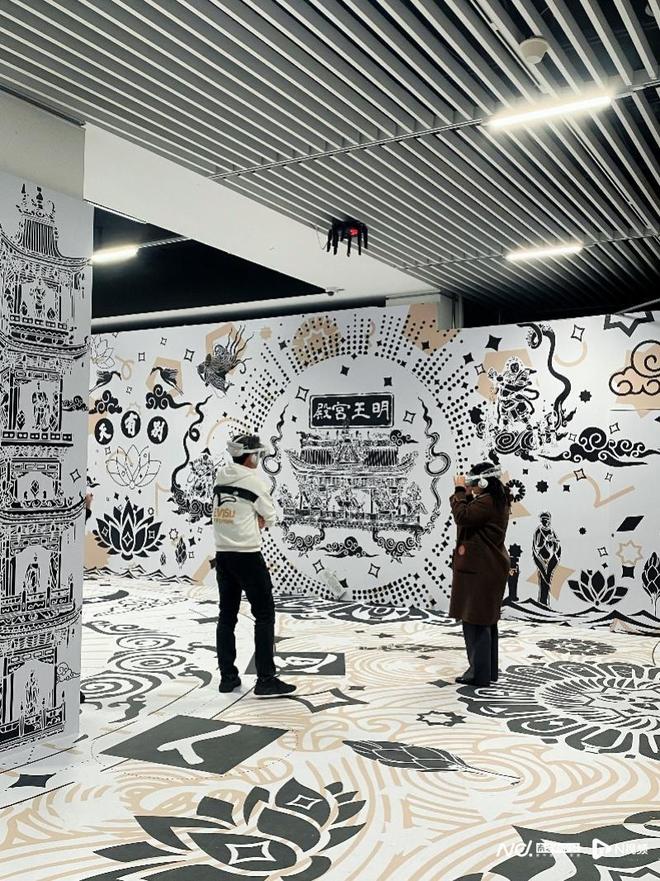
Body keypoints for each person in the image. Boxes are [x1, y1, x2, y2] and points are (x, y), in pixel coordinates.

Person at [213, 433, 295, 697]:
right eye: (257, 454)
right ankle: (266, 679)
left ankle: (228, 677)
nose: (259, 458)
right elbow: (270, 516)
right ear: (250, 457)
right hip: (248, 555)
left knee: (227, 616)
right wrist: (258, 518)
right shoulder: (253, 482)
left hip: (223, 556)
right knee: (265, 615)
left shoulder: (220, 477)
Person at [449, 462, 511, 687]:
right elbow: (470, 516)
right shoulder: (495, 499)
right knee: (484, 620)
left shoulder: (487, 501)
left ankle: (478, 674)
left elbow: (462, 516)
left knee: (475, 621)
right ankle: (485, 671)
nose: (471, 486)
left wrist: (459, 491)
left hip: (481, 568)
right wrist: (466, 495)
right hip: (487, 567)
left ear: (483, 482)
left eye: (473, 482)